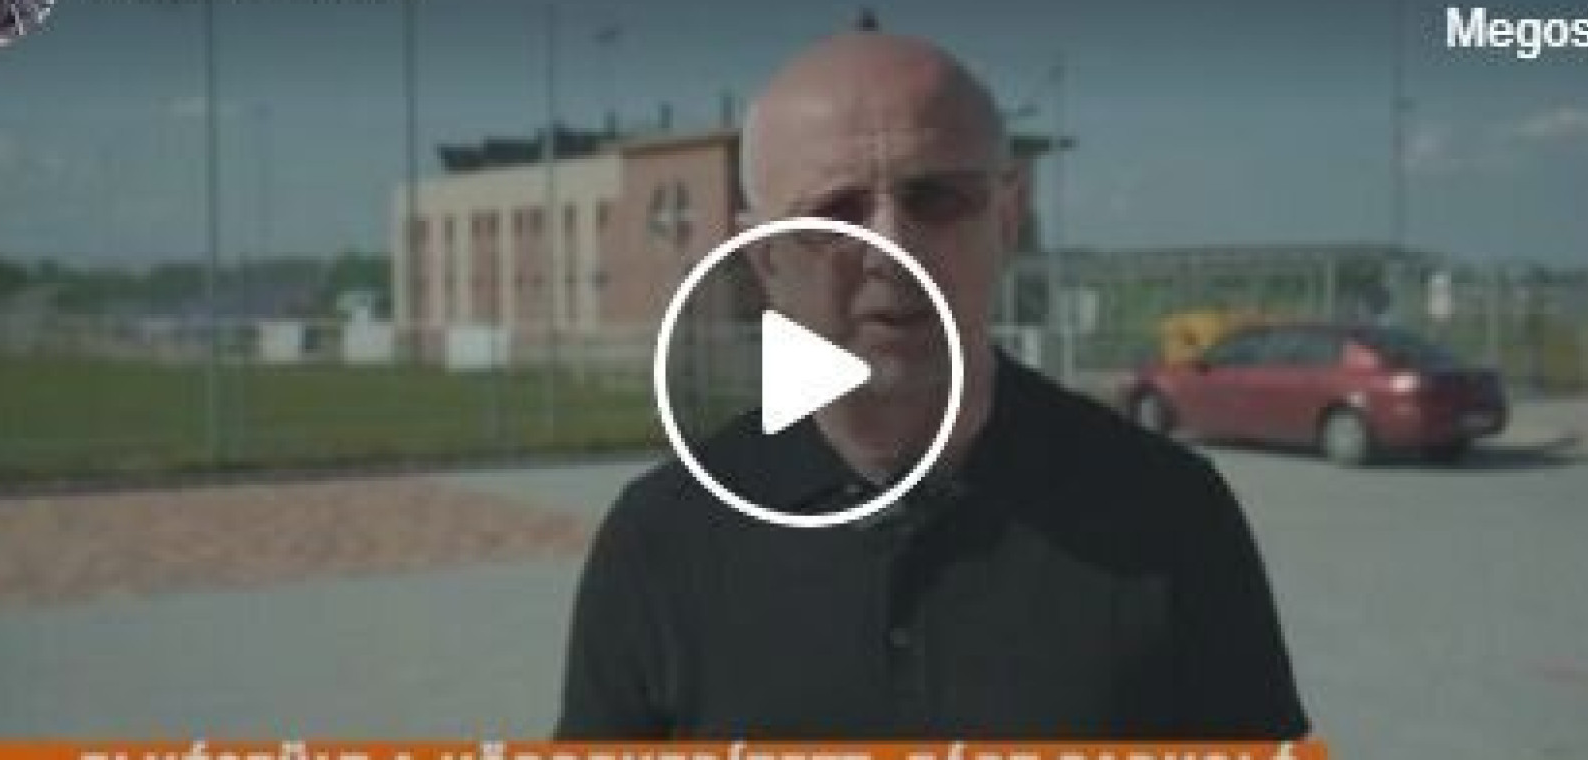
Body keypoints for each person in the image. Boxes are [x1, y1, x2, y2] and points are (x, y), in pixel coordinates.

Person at [556, 28, 1310, 740]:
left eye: (936, 199)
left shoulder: (1172, 515)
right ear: (765, 260)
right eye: (837, 211)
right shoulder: (663, 542)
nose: (891, 250)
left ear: (1008, 220)